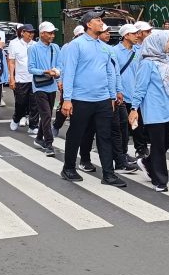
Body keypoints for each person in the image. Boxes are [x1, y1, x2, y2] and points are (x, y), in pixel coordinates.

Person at [59, 11, 124, 187]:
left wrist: (112, 95)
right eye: (98, 20)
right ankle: (68, 167)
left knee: (105, 136)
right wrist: (67, 99)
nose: (101, 22)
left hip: (102, 99)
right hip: (81, 99)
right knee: (76, 133)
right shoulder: (76, 45)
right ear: (89, 24)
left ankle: (108, 174)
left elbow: (109, 72)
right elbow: (69, 72)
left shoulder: (103, 46)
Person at [128, 31, 169, 192]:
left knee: (167, 141)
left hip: (167, 108)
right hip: (153, 110)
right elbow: (140, 87)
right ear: (157, 43)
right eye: (167, 42)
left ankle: (147, 162)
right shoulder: (147, 63)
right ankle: (160, 180)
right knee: (159, 145)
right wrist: (134, 109)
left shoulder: (166, 60)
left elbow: (167, 77)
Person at [28, 22, 62, 155]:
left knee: (46, 115)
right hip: (39, 86)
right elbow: (31, 68)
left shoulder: (55, 48)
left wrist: (58, 77)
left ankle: (38, 138)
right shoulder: (34, 48)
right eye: (49, 33)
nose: (52, 35)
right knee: (47, 115)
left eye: (53, 33)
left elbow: (60, 65)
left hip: (52, 85)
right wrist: (45, 72)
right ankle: (49, 144)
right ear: (42, 34)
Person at [112, 24, 142, 171]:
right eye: (134, 33)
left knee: (134, 127)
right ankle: (120, 156)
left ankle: (124, 153)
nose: (137, 35)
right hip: (121, 96)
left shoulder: (138, 50)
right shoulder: (114, 51)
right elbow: (113, 73)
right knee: (122, 127)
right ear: (125, 35)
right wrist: (116, 91)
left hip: (135, 96)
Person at [8, 24, 36, 133]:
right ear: (23, 32)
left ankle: (33, 125)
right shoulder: (14, 44)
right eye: (29, 32)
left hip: (34, 79)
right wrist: (11, 78)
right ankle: (16, 118)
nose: (31, 35)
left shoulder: (36, 45)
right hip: (21, 79)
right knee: (21, 103)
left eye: (32, 32)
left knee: (34, 104)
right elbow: (11, 62)